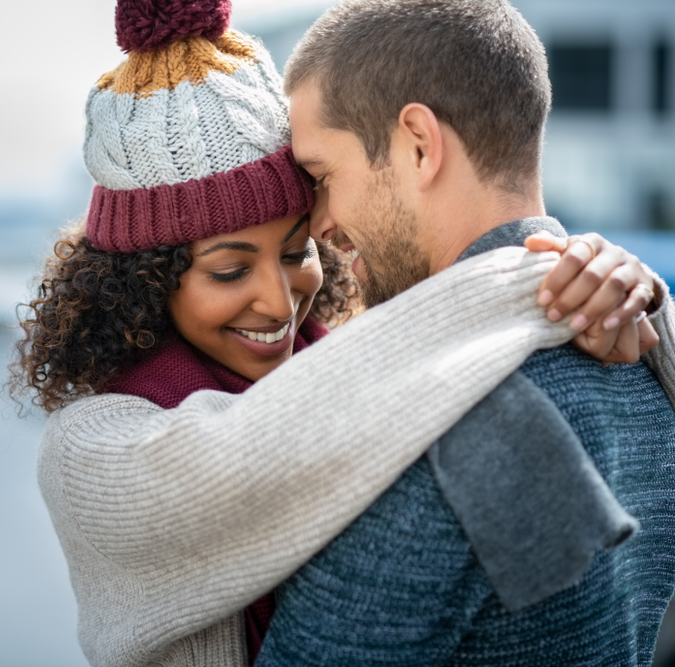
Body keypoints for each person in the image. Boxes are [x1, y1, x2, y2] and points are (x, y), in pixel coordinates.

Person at [12, 1, 675, 666]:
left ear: (420, 143)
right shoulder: (91, 450)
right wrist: (537, 279)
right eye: (232, 267)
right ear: (146, 284)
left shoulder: (409, 404)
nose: (280, 296)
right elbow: (244, 447)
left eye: (299, 245)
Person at [254, 1, 675, 665]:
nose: (319, 225)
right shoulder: (645, 361)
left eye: (322, 177)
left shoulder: (425, 421)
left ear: (419, 144)